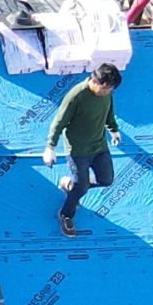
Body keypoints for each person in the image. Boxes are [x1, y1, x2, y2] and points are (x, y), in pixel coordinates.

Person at [41, 62, 123, 235]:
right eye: (108, 89)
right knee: (81, 188)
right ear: (98, 83)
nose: (110, 92)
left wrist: (114, 130)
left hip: (99, 145)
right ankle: (66, 215)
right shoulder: (76, 95)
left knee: (106, 180)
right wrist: (50, 147)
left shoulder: (107, 93)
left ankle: (70, 185)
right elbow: (59, 122)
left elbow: (108, 112)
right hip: (78, 150)